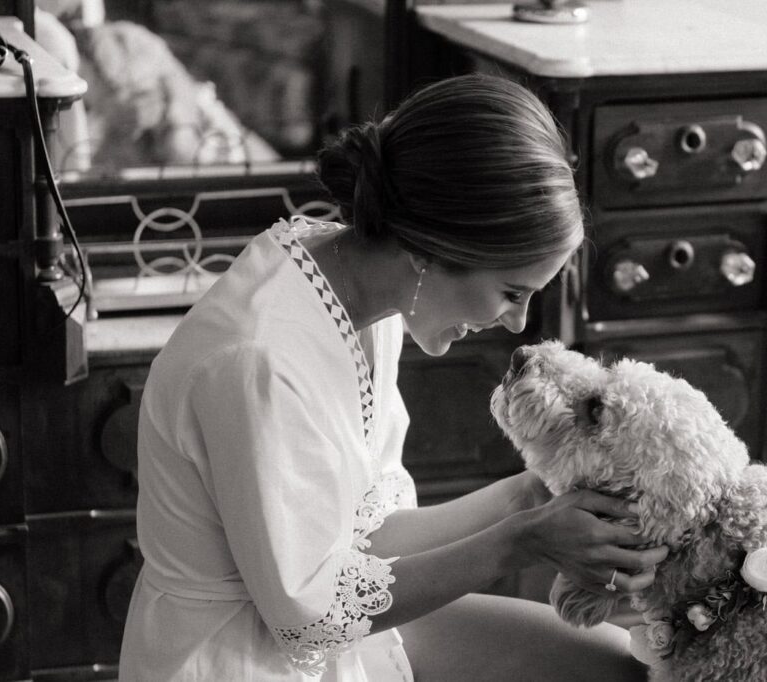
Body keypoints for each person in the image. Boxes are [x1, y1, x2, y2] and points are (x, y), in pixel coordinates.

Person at [118, 74, 670, 681]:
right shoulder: (261, 360)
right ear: (431, 247)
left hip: (324, 630)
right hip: (235, 661)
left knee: (623, 671)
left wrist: (532, 494)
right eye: (512, 293)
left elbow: (371, 538)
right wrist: (522, 541)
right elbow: (311, 616)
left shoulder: (364, 295)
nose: (517, 325)